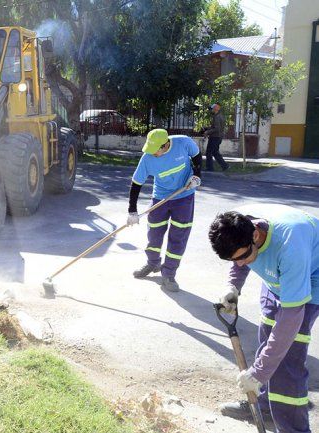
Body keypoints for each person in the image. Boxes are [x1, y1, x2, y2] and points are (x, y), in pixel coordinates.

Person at [209, 205, 319, 432]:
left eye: (242, 257)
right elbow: (238, 257)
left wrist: (258, 373)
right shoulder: (237, 225)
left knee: (287, 357)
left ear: (256, 235)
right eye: (233, 259)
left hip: (311, 278)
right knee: (268, 336)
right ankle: (264, 405)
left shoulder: (291, 248)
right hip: (277, 278)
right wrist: (233, 285)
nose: (239, 264)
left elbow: (290, 319)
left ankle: (293, 429)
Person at [128, 129, 202, 292]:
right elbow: (136, 183)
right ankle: (152, 263)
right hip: (160, 197)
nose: (152, 153)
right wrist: (132, 211)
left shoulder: (183, 143)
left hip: (184, 195)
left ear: (166, 144)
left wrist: (196, 175)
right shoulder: (147, 157)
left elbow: (197, 156)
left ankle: (168, 274)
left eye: (156, 150)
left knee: (178, 236)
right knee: (154, 233)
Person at [204, 103, 230, 172]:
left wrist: (207, 132)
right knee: (215, 152)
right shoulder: (219, 116)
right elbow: (216, 127)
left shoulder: (217, 117)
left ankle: (210, 168)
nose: (211, 110)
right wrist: (207, 128)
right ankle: (225, 166)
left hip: (215, 137)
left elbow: (217, 129)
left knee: (209, 152)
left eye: (212, 108)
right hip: (218, 137)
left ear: (216, 108)